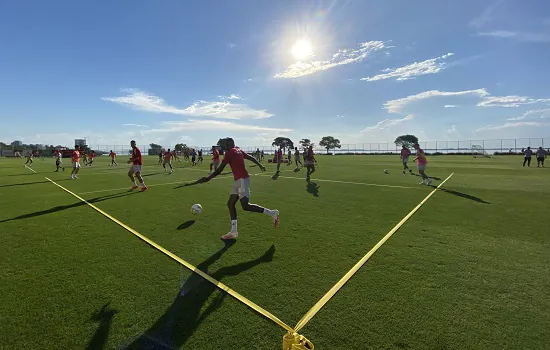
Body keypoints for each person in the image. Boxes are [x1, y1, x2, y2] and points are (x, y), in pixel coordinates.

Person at [198, 138, 279, 240]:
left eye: (226, 144)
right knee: (230, 204)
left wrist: (208, 178)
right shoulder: (239, 150)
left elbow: (220, 169)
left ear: (230, 144)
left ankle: (272, 213)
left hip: (242, 181)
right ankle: (234, 231)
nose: (225, 147)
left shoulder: (229, 153)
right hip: (240, 180)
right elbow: (251, 158)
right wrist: (260, 165)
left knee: (245, 206)